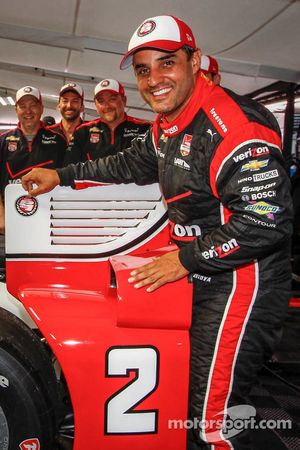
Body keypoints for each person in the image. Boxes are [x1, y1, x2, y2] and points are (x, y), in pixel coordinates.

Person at [22, 15, 293, 449]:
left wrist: (183, 259)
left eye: (167, 63)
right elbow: (127, 164)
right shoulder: (170, 121)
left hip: (243, 284)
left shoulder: (234, 124)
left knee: (211, 418)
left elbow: (266, 222)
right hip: (203, 275)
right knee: (188, 398)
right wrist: (63, 175)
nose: (154, 79)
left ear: (195, 61)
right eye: (144, 70)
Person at [0, 85, 67, 234]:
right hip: (10, 221)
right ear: (16, 110)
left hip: (49, 218)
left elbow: (66, 178)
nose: (28, 111)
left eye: (33, 105)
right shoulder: (2, 141)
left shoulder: (59, 141)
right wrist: (1, 216)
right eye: (22, 106)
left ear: (42, 108)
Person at [63, 78, 151, 164]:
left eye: (112, 99)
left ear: (124, 100)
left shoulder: (146, 129)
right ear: (96, 105)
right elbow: (69, 169)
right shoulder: (82, 131)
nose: (107, 106)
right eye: (101, 101)